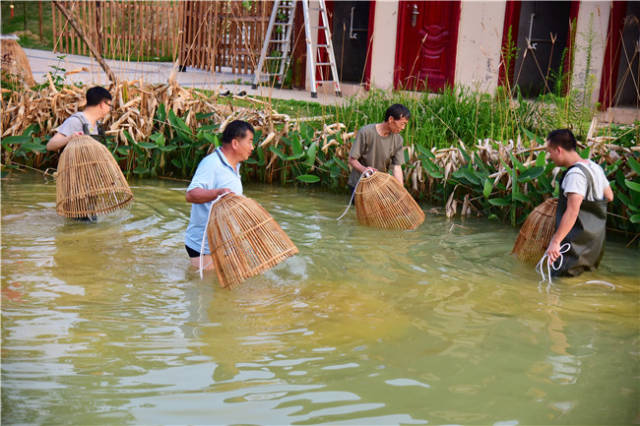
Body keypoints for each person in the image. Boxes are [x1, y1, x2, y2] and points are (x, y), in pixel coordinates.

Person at [184, 120, 255, 270]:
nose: (252, 147)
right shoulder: (212, 164)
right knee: (207, 289)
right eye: (249, 142)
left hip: (223, 243)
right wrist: (218, 192)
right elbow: (191, 194)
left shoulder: (234, 165)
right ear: (235, 143)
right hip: (204, 247)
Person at [545, 129, 614, 276]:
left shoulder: (575, 175)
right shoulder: (594, 167)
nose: (549, 156)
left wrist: (555, 242)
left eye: (549, 152)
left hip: (574, 248)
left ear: (558, 150)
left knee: (561, 283)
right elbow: (609, 196)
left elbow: (572, 211)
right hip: (594, 247)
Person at [347, 103, 410, 192]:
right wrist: (364, 169)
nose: (403, 128)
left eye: (405, 125)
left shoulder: (398, 140)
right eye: (402, 124)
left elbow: (397, 167)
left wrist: (401, 190)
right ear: (391, 119)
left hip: (378, 187)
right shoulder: (366, 132)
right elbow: (351, 159)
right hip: (359, 184)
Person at [46, 86, 112, 151]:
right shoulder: (76, 121)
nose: (110, 109)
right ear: (102, 105)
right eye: (109, 105)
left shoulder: (98, 125)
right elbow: (50, 145)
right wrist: (70, 138)